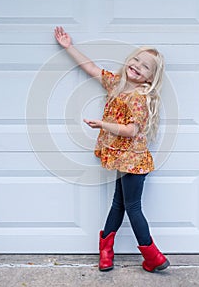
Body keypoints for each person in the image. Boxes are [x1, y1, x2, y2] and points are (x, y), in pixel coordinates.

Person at [54, 26, 170, 273]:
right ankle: (106, 253)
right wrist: (69, 47)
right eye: (136, 59)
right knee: (119, 204)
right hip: (121, 161)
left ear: (150, 78)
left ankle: (153, 255)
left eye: (145, 66)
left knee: (132, 207)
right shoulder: (117, 84)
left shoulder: (139, 97)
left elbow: (131, 130)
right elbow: (91, 68)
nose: (137, 65)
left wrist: (102, 125)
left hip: (134, 162)